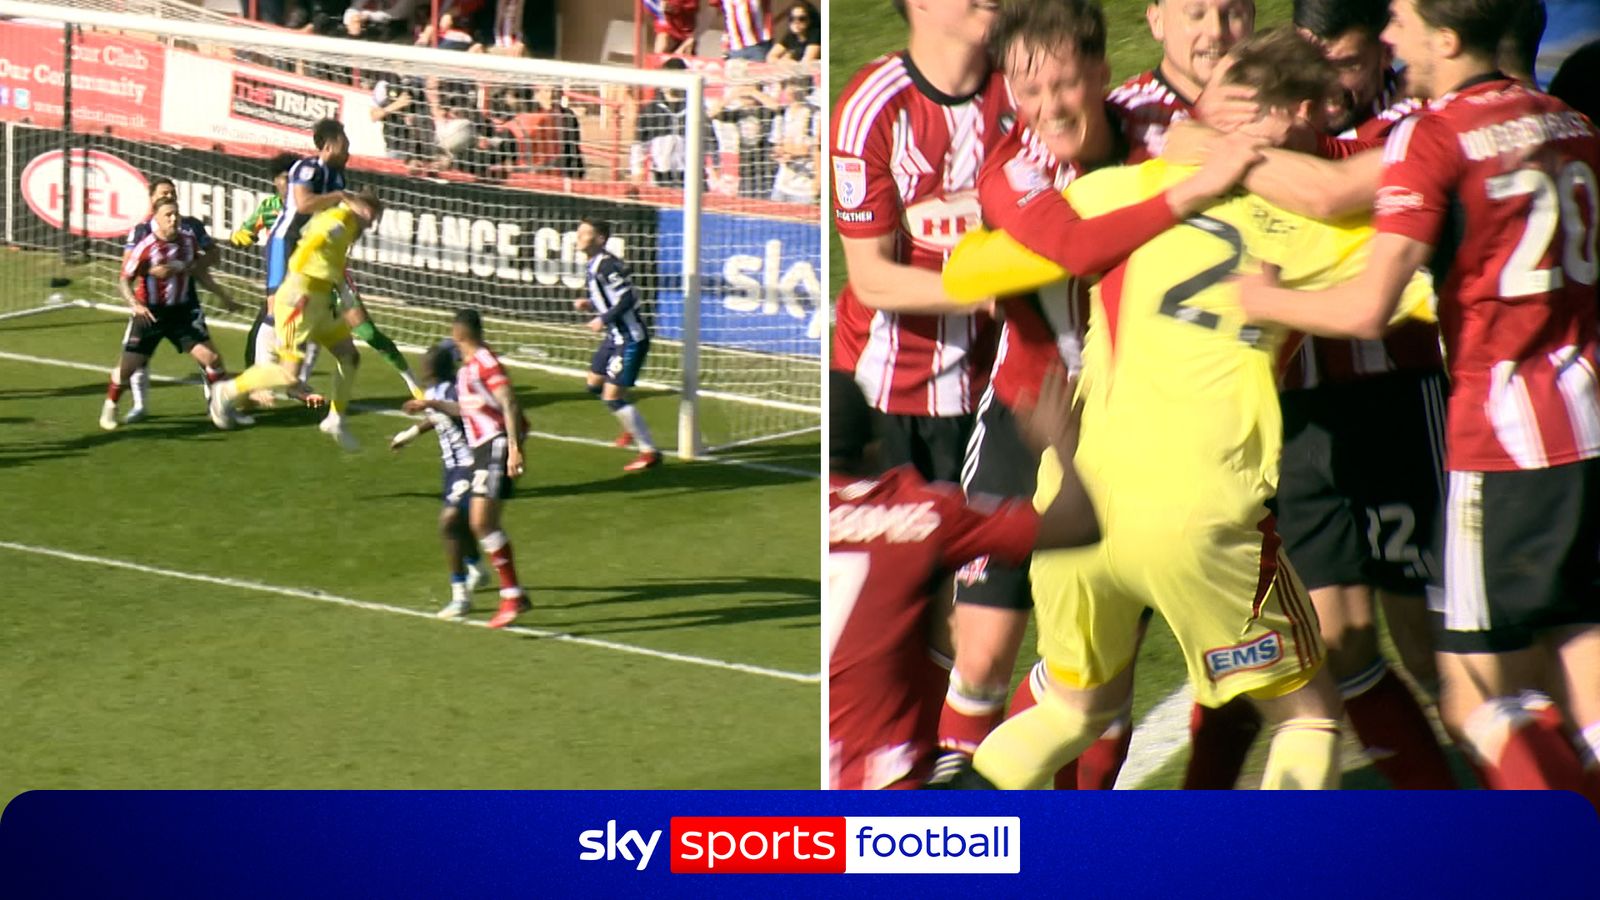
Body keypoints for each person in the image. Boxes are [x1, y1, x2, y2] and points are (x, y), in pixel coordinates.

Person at [943, 28, 1446, 791]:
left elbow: (974, 265)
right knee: (1306, 715)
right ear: (1295, 118)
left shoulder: (1115, 189)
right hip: (1198, 514)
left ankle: (937, 843)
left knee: (1068, 711)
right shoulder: (1312, 227)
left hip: (1075, 505)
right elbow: (1429, 279)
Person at [1237, 0, 1600, 801]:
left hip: (1501, 438)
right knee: (1581, 655)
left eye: (1401, 20)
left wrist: (1262, 303)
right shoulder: (1569, 121)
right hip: (1587, 418)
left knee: (1475, 693)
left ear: (1446, 36)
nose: (1389, 37)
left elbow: (1365, 308)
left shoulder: (1434, 137)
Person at [933, 0, 1261, 790]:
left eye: (1064, 86)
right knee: (980, 654)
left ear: (1103, 76)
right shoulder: (1010, 170)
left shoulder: (1156, 130)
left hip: (1139, 425)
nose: (1047, 108)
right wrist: (1193, 185)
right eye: (1028, 91)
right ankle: (946, 826)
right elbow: (1078, 246)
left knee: (1101, 679)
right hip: (1030, 415)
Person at [829, 366, 1100, 789]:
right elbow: (1080, 524)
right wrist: (1061, 444)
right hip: (893, 796)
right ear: (873, 449)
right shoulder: (924, 514)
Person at [830, 0, 1010, 485]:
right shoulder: (873, 108)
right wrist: (992, 294)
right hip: (884, 396)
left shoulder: (1023, 88)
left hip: (993, 390)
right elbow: (872, 279)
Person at [209, 190, 383, 451]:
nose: (371, 224)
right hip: (298, 302)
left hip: (320, 303)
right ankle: (227, 391)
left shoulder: (348, 229)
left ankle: (335, 419)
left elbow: (332, 264)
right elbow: (309, 244)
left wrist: (343, 294)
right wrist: (298, 281)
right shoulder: (336, 220)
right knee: (289, 376)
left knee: (350, 357)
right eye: (371, 217)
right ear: (360, 209)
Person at [404, 309, 532, 630]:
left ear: (459, 335)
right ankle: (513, 593)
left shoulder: (486, 363)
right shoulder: (466, 372)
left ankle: (512, 594)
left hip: (496, 445)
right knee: (479, 523)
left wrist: (514, 447)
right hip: (481, 451)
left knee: (481, 522)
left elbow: (510, 402)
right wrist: (430, 405)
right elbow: (464, 410)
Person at [107, 178, 246, 427]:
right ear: (153, 202)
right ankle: (127, 406)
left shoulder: (190, 231)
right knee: (132, 364)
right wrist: (149, 277)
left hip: (184, 305)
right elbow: (126, 272)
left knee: (210, 358)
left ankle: (218, 407)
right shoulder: (142, 235)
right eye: (164, 194)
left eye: (172, 195)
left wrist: (191, 269)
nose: (172, 214)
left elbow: (210, 258)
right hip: (151, 309)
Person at [389, 341, 492, 619]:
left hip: (471, 463)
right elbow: (436, 418)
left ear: (437, 368)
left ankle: (460, 596)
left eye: (427, 362)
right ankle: (477, 568)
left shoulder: (452, 389)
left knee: (448, 521)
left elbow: (461, 411)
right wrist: (409, 435)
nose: (423, 365)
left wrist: (431, 403)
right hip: (452, 468)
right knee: (460, 524)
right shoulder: (433, 392)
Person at [573, 217, 662, 472]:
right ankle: (630, 425)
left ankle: (649, 452)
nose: (578, 237)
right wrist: (591, 305)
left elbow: (627, 298)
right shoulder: (595, 264)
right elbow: (611, 298)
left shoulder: (608, 265)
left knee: (611, 397)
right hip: (614, 338)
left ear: (599, 239)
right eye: (579, 232)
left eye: (584, 233)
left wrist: (603, 318)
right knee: (593, 384)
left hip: (630, 339)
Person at [233, 152, 300, 370]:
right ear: (275, 180)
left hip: (305, 283)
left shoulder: (307, 207)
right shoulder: (268, 207)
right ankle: (255, 382)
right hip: (279, 284)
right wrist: (240, 237)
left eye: (293, 178)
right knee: (260, 334)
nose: (288, 183)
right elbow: (247, 230)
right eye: (284, 178)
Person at [769, 75, 819, 203]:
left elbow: (815, 150)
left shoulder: (815, 115)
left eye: (795, 85)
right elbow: (776, 146)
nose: (790, 90)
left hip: (805, 188)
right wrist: (779, 153)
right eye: (787, 86)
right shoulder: (782, 113)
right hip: (781, 185)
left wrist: (818, 181)